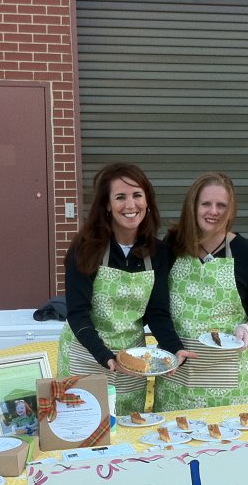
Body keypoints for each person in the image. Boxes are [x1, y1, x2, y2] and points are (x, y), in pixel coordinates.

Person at [58, 163, 191, 415]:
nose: (130, 205)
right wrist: (104, 355)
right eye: (120, 197)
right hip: (86, 356)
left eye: (137, 195)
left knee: (127, 434)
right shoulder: (86, 249)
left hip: (131, 362)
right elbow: (77, 313)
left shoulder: (159, 252)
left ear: (147, 201)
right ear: (107, 205)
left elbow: (157, 312)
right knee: (82, 431)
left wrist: (174, 347)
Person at [154, 171, 248, 412]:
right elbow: (157, 307)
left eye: (221, 205)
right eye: (206, 204)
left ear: (231, 210)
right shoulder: (172, 247)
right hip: (177, 371)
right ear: (193, 206)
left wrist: (247, 328)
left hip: (226, 378)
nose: (214, 211)